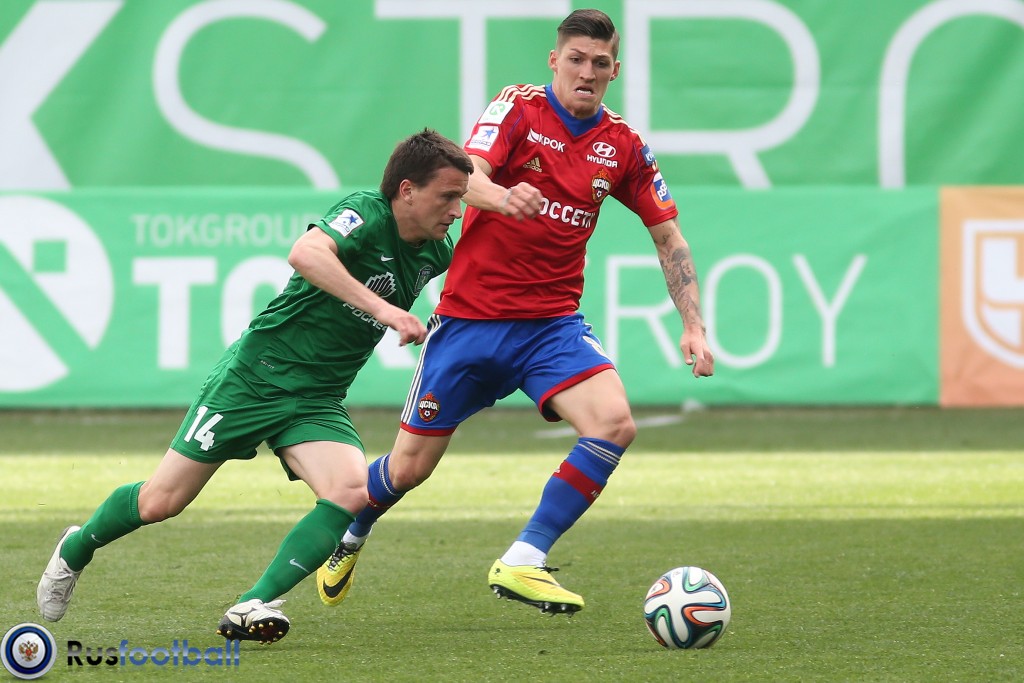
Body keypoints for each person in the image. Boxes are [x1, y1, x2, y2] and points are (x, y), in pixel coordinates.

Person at [316, 9, 714, 616]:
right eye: (575, 60)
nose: (586, 73)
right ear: (555, 61)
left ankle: (525, 557)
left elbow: (669, 237)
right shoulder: (517, 109)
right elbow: (465, 175)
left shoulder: (624, 146)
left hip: (551, 326)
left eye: (599, 63)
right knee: (408, 469)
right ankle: (351, 533)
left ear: (615, 70)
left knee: (614, 423)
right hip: (471, 323)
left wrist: (693, 325)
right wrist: (504, 198)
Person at [36, 129, 474, 643]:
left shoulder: (436, 252)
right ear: (407, 190)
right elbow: (306, 253)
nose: (456, 211)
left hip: (317, 398)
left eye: (461, 198)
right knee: (161, 502)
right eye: (447, 196)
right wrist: (384, 309)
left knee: (351, 491)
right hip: (254, 377)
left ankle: (252, 603)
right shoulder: (366, 213)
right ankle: (76, 547)